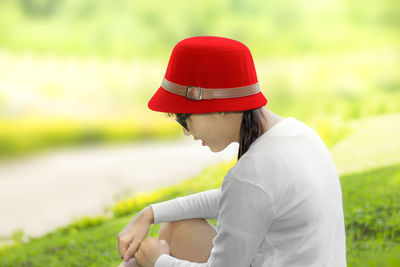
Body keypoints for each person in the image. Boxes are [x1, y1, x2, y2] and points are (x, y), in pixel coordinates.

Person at [117, 36, 347, 267]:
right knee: (176, 226)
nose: (187, 131)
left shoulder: (252, 174)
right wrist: (150, 213)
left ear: (221, 109)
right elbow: (235, 200)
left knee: (152, 252)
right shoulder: (298, 135)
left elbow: (243, 196)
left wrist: (157, 261)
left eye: (183, 117)